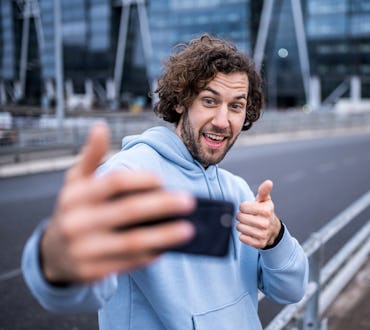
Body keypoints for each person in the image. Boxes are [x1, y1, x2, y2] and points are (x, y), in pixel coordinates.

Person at [22, 34, 308, 329]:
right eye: (209, 101)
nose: (223, 121)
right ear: (183, 101)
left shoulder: (237, 191)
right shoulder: (129, 177)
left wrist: (276, 238)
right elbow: (82, 291)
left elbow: (291, 290)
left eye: (236, 106)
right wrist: (60, 257)